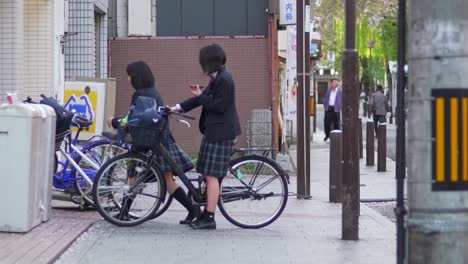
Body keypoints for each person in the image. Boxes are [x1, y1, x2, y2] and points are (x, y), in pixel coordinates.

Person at [107, 61, 200, 224]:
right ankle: (193, 210)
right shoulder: (153, 92)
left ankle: (124, 212)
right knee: (166, 179)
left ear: (136, 77)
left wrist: (115, 122)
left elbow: (134, 119)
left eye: (129, 76)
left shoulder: (141, 95)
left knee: (134, 177)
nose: (128, 79)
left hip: (149, 141)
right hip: (160, 139)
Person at [171, 44, 241, 230]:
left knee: (212, 176)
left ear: (210, 61)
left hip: (221, 133)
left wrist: (201, 96)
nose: (202, 66)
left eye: (203, 61)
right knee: (206, 173)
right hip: (214, 132)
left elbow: (218, 106)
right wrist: (176, 108)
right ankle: (204, 212)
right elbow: (200, 99)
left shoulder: (225, 79)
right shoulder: (218, 77)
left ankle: (209, 217)